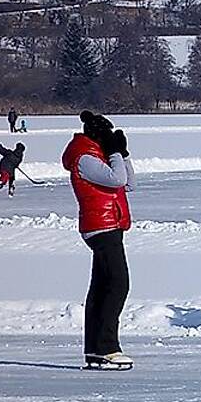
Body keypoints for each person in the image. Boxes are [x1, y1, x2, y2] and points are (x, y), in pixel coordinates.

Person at [64, 110, 135, 370]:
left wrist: (122, 153)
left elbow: (129, 183)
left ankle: (95, 349)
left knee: (103, 287)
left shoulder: (96, 155)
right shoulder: (84, 158)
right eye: (105, 134)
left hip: (110, 225)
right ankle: (107, 348)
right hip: (100, 227)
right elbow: (117, 178)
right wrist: (115, 153)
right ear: (95, 135)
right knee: (118, 284)